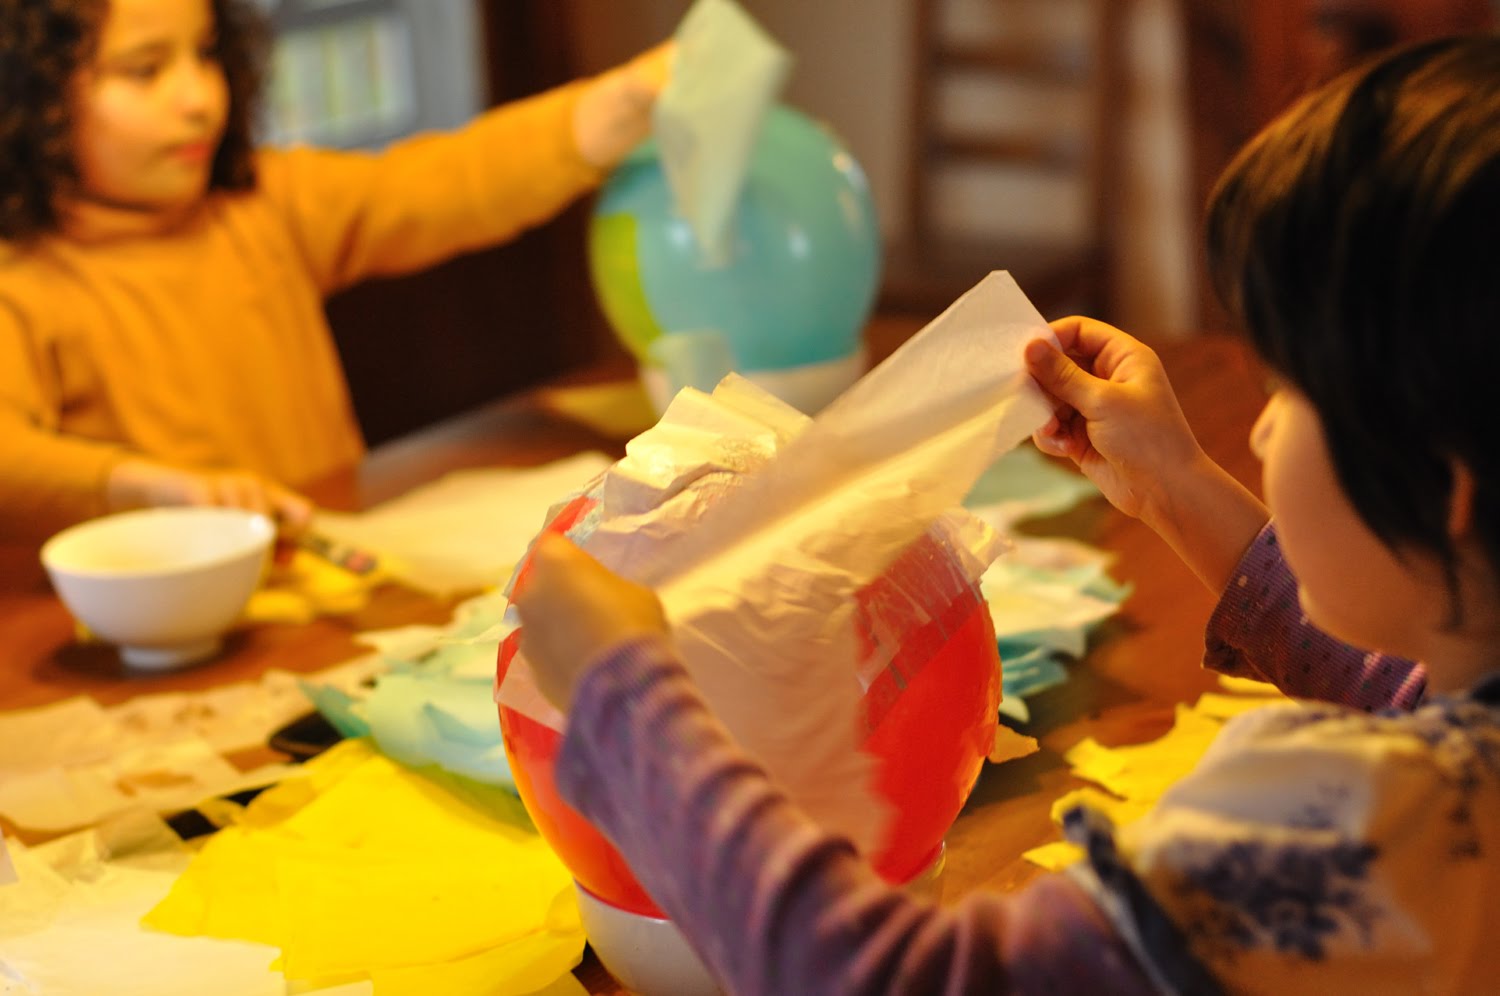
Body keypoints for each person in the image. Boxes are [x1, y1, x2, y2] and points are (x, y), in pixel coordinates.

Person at [513, 35, 1500, 994]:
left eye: (1291, 392)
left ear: (1438, 487)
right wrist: (1173, 482)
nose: (1263, 431)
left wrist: (626, 701)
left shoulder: (1341, 842)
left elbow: (879, 977)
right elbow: (1402, 688)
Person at [0, 0, 669, 541]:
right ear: (32, 96)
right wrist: (139, 486)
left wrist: (614, 107)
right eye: (145, 70)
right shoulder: (23, 281)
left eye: (205, 53)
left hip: (333, 577)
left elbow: (441, 185)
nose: (199, 96)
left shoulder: (264, 205)